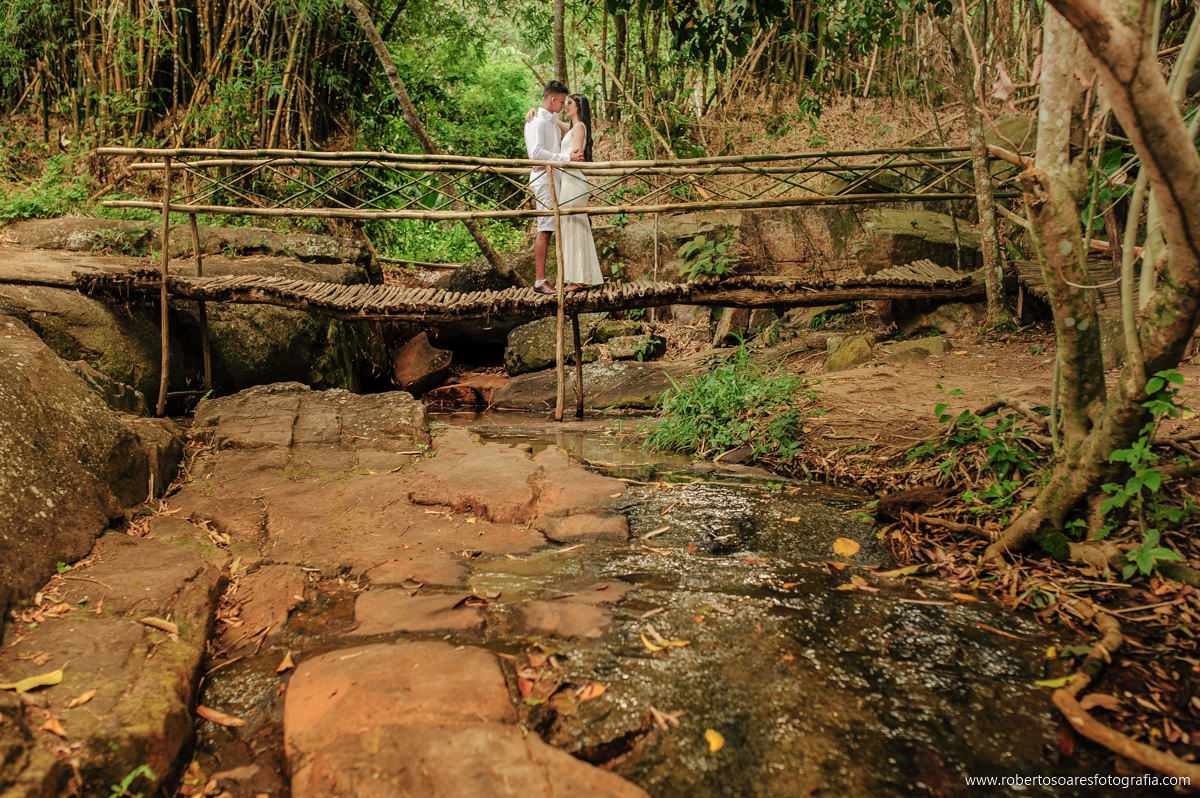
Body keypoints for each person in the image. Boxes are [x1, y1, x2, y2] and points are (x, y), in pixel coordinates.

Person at [523, 80, 582, 296]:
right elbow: (536, 154)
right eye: (562, 101)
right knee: (545, 228)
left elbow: (575, 128)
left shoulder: (551, 119)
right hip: (543, 178)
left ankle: (566, 276)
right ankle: (540, 280)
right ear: (553, 99)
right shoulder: (537, 122)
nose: (563, 106)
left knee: (556, 224)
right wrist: (566, 157)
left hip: (555, 177)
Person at [555, 94, 604, 292]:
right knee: (571, 225)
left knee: (575, 225)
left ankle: (580, 278)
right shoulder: (574, 128)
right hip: (569, 181)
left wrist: (560, 158)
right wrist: (542, 115)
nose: (566, 106)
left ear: (579, 107)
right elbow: (563, 127)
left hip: (573, 182)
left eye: (570, 104)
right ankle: (578, 276)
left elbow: (576, 156)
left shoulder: (579, 128)